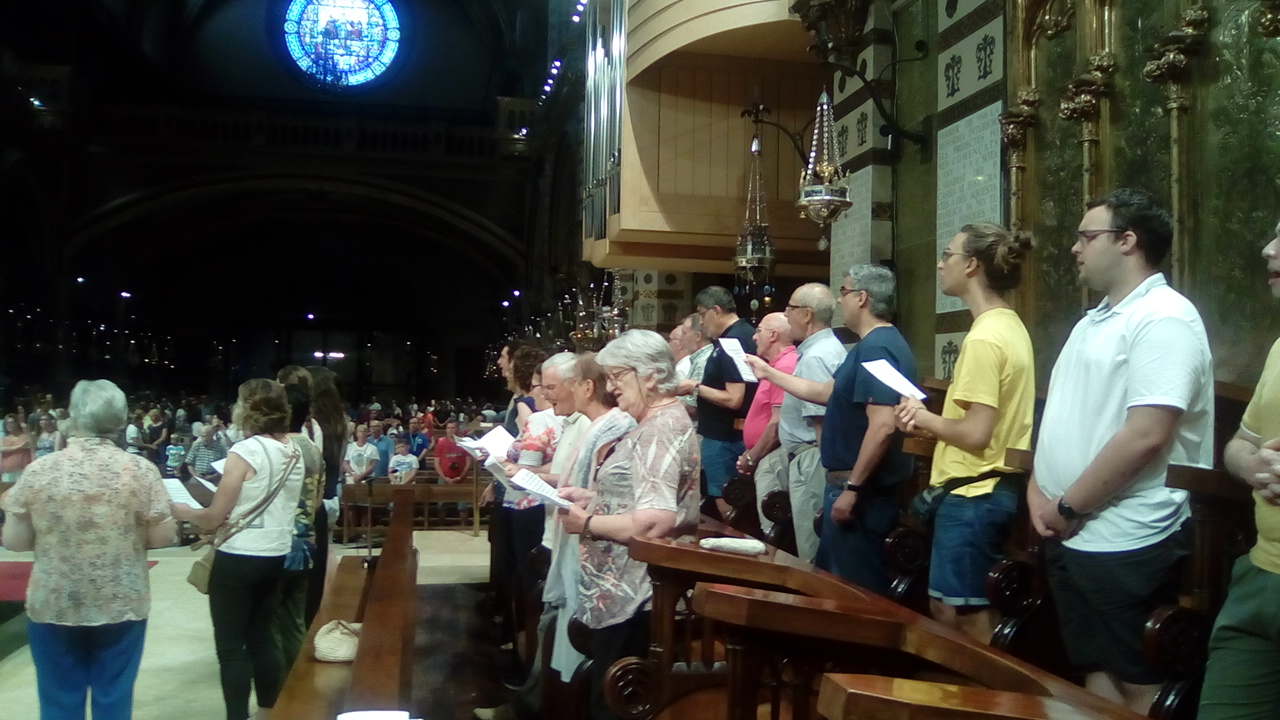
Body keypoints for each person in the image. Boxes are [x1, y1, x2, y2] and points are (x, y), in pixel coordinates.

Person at [1031, 189, 1213, 714]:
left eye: (1087, 237)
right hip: (1070, 526)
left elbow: (1146, 434)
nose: (1075, 248)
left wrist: (1069, 505)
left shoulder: (1164, 317)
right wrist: (1038, 488)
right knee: (1095, 670)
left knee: (1137, 680)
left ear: (1128, 241)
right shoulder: (1094, 319)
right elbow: (1065, 416)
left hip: (1127, 533)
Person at [1, 379, 177, 720]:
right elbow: (162, 537)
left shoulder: (40, 470)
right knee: (114, 698)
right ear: (121, 419)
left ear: (73, 416)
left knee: (59, 701)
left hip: (54, 601)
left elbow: (15, 542)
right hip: (120, 602)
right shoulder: (140, 471)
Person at [893, 223, 1036, 642]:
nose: (941, 264)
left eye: (948, 255)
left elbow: (976, 434)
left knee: (965, 615)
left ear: (972, 265)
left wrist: (922, 418)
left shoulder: (984, 338)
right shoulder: (1009, 325)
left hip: (976, 493)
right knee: (949, 607)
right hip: (986, 489)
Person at [748, 264, 916, 594]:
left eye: (844, 292)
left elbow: (883, 425)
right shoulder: (868, 345)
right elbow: (826, 392)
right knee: (831, 583)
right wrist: (769, 373)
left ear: (862, 298)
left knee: (853, 591)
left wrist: (853, 488)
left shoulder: (877, 347)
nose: (840, 301)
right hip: (850, 485)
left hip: (863, 492)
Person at [559, 330, 700, 720]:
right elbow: (640, 497)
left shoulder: (660, 428)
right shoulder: (652, 421)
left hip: (636, 593)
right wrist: (595, 499)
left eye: (618, 376)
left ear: (651, 376)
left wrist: (588, 522)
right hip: (623, 587)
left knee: (613, 707)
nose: (610, 387)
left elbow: (655, 521)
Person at [171, 379, 306, 720]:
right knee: (262, 636)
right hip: (275, 553)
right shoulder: (293, 450)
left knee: (231, 647)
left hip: (239, 555)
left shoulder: (245, 451)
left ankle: (237, 716)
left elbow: (213, 517)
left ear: (248, 408)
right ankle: (270, 709)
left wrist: (184, 512)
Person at [1199, 220, 1280, 718]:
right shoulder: (1279, 350)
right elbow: (1238, 445)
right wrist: (1255, 466)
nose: (1268, 249)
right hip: (1259, 579)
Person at [773, 282, 847, 563]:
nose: (785, 314)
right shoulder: (828, 348)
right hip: (813, 458)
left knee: (810, 550)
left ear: (806, 315)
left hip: (813, 459)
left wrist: (825, 470)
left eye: (790, 308)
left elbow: (821, 422)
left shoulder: (816, 356)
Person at [677, 286, 756, 518]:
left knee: (729, 507)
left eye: (702, 314)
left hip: (725, 437)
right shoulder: (744, 334)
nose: (701, 322)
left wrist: (694, 387)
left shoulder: (732, 341)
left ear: (716, 310)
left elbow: (734, 398)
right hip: (732, 433)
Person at [273, 383, 325, 676]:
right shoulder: (313, 449)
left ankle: (277, 684)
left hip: (276, 542)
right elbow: (316, 500)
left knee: (269, 620)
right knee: (294, 619)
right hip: (305, 540)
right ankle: (299, 681)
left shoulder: (276, 449)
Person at [734, 313, 798, 535]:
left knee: (773, 530)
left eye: (759, 330)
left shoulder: (785, 366)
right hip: (766, 456)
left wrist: (752, 457)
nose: (754, 337)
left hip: (773, 458)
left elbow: (777, 423)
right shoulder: (775, 365)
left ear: (773, 335)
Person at [2, 416, 34, 483]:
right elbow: (2, 449)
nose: (9, 425)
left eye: (11, 422)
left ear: (17, 423)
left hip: (23, 470)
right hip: (8, 471)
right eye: (7, 423)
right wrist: (19, 446)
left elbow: (32, 446)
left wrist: (27, 430)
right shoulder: (5, 439)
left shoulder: (25, 436)